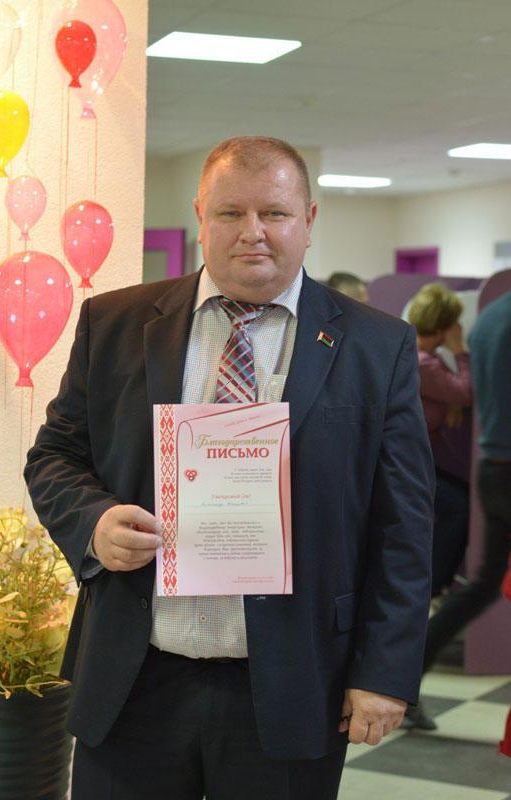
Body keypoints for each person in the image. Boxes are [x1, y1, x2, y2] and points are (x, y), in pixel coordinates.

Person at [24, 136, 434, 800]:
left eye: (273, 213)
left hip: (295, 679)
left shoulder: (376, 345)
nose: (252, 232)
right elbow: (55, 455)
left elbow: (403, 526)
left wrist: (383, 671)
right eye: (229, 213)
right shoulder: (116, 322)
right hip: (135, 677)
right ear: (200, 216)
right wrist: (94, 523)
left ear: (308, 220)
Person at [412, 291, 511, 731]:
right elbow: (467, 390)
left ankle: (406, 676)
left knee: (484, 585)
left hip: (494, 467)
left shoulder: (491, 318)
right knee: (482, 582)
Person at [408, 284, 472, 600]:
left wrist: (452, 402)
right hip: (410, 462)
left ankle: (437, 586)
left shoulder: (422, 357)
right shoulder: (424, 363)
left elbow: (454, 393)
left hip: (421, 459)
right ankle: (432, 590)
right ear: (443, 327)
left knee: (460, 499)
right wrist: (460, 350)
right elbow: (465, 391)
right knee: (458, 507)